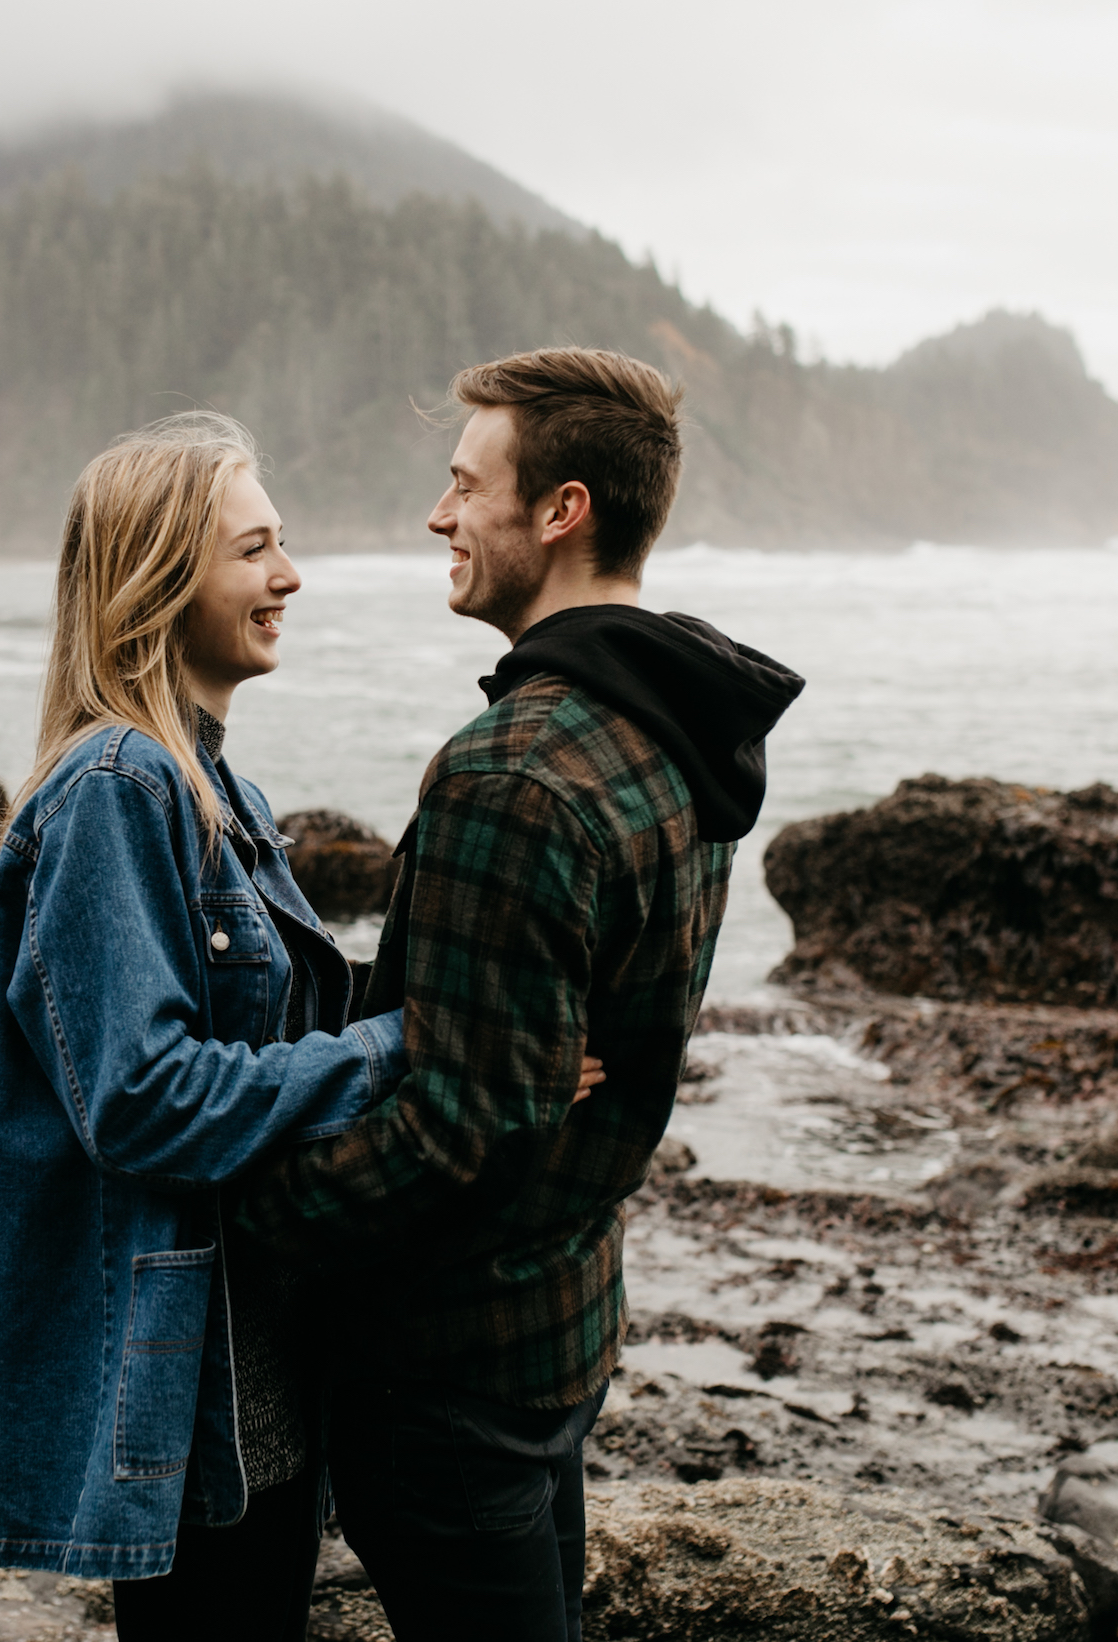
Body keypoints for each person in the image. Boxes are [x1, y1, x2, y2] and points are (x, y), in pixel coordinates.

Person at [235, 348, 804, 1640]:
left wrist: (244, 1207)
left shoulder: (515, 768)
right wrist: (499, 1055)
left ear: (562, 509)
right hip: (566, 1316)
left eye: (463, 482)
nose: (439, 514)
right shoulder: (679, 728)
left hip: (447, 1371)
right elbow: (529, 1053)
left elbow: (456, 1129)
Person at [0, 412, 406, 1638]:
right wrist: (399, 1051)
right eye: (255, 549)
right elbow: (141, 1095)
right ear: (161, 577)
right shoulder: (117, 787)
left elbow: (264, 1034)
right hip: (190, 1379)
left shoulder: (215, 787)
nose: (289, 576)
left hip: (250, 1363)